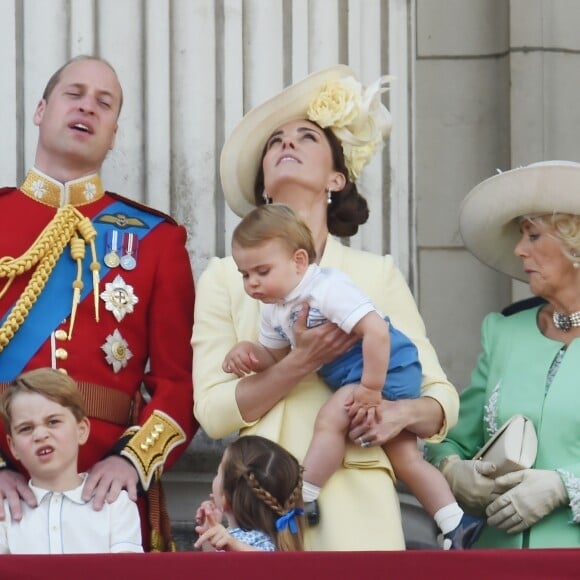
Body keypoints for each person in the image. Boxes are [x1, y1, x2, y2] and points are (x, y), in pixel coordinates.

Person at [192, 65, 459, 550]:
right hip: (259, 509)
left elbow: (442, 401)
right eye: (274, 142)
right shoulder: (223, 276)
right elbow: (211, 412)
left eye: (306, 136)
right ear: (264, 187)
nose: (286, 144)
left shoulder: (376, 273)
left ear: (337, 177)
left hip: (359, 504)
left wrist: (397, 414)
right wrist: (301, 361)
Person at [0, 55, 197, 551]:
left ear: (113, 133)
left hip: (105, 498)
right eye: (75, 94)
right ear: (41, 110)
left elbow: (180, 379)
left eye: (104, 103)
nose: (88, 106)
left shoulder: (156, 239)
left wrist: (132, 459)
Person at [224, 203, 481, 548]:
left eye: (262, 271)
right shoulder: (274, 309)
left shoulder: (326, 288)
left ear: (299, 261)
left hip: (386, 367)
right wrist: (249, 355)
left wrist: (372, 390)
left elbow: (376, 331)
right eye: (245, 275)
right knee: (406, 458)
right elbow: (278, 358)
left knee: (330, 418)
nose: (252, 283)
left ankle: (306, 497)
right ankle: (455, 522)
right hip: (361, 373)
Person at [426, 160, 580, 549]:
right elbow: (453, 440)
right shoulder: (504, 331)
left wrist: (563, 486)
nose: (518, 250)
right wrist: (453, 471)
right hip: (498, 560)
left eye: (532, 236)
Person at [0, 368, 143, 553]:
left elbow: (128, 572)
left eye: (53, 422)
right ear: (12, 447)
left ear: (82, 430)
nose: (40, 435)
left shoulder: (116, 505)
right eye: (26, 428)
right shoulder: (4, 513)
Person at [194, 435, 304, 552]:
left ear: (224, 499)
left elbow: (268, 564)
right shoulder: (233, 538)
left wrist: (234, 546)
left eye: (218, 473)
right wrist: (208, 534)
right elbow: (213, 566)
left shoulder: (261, 543)